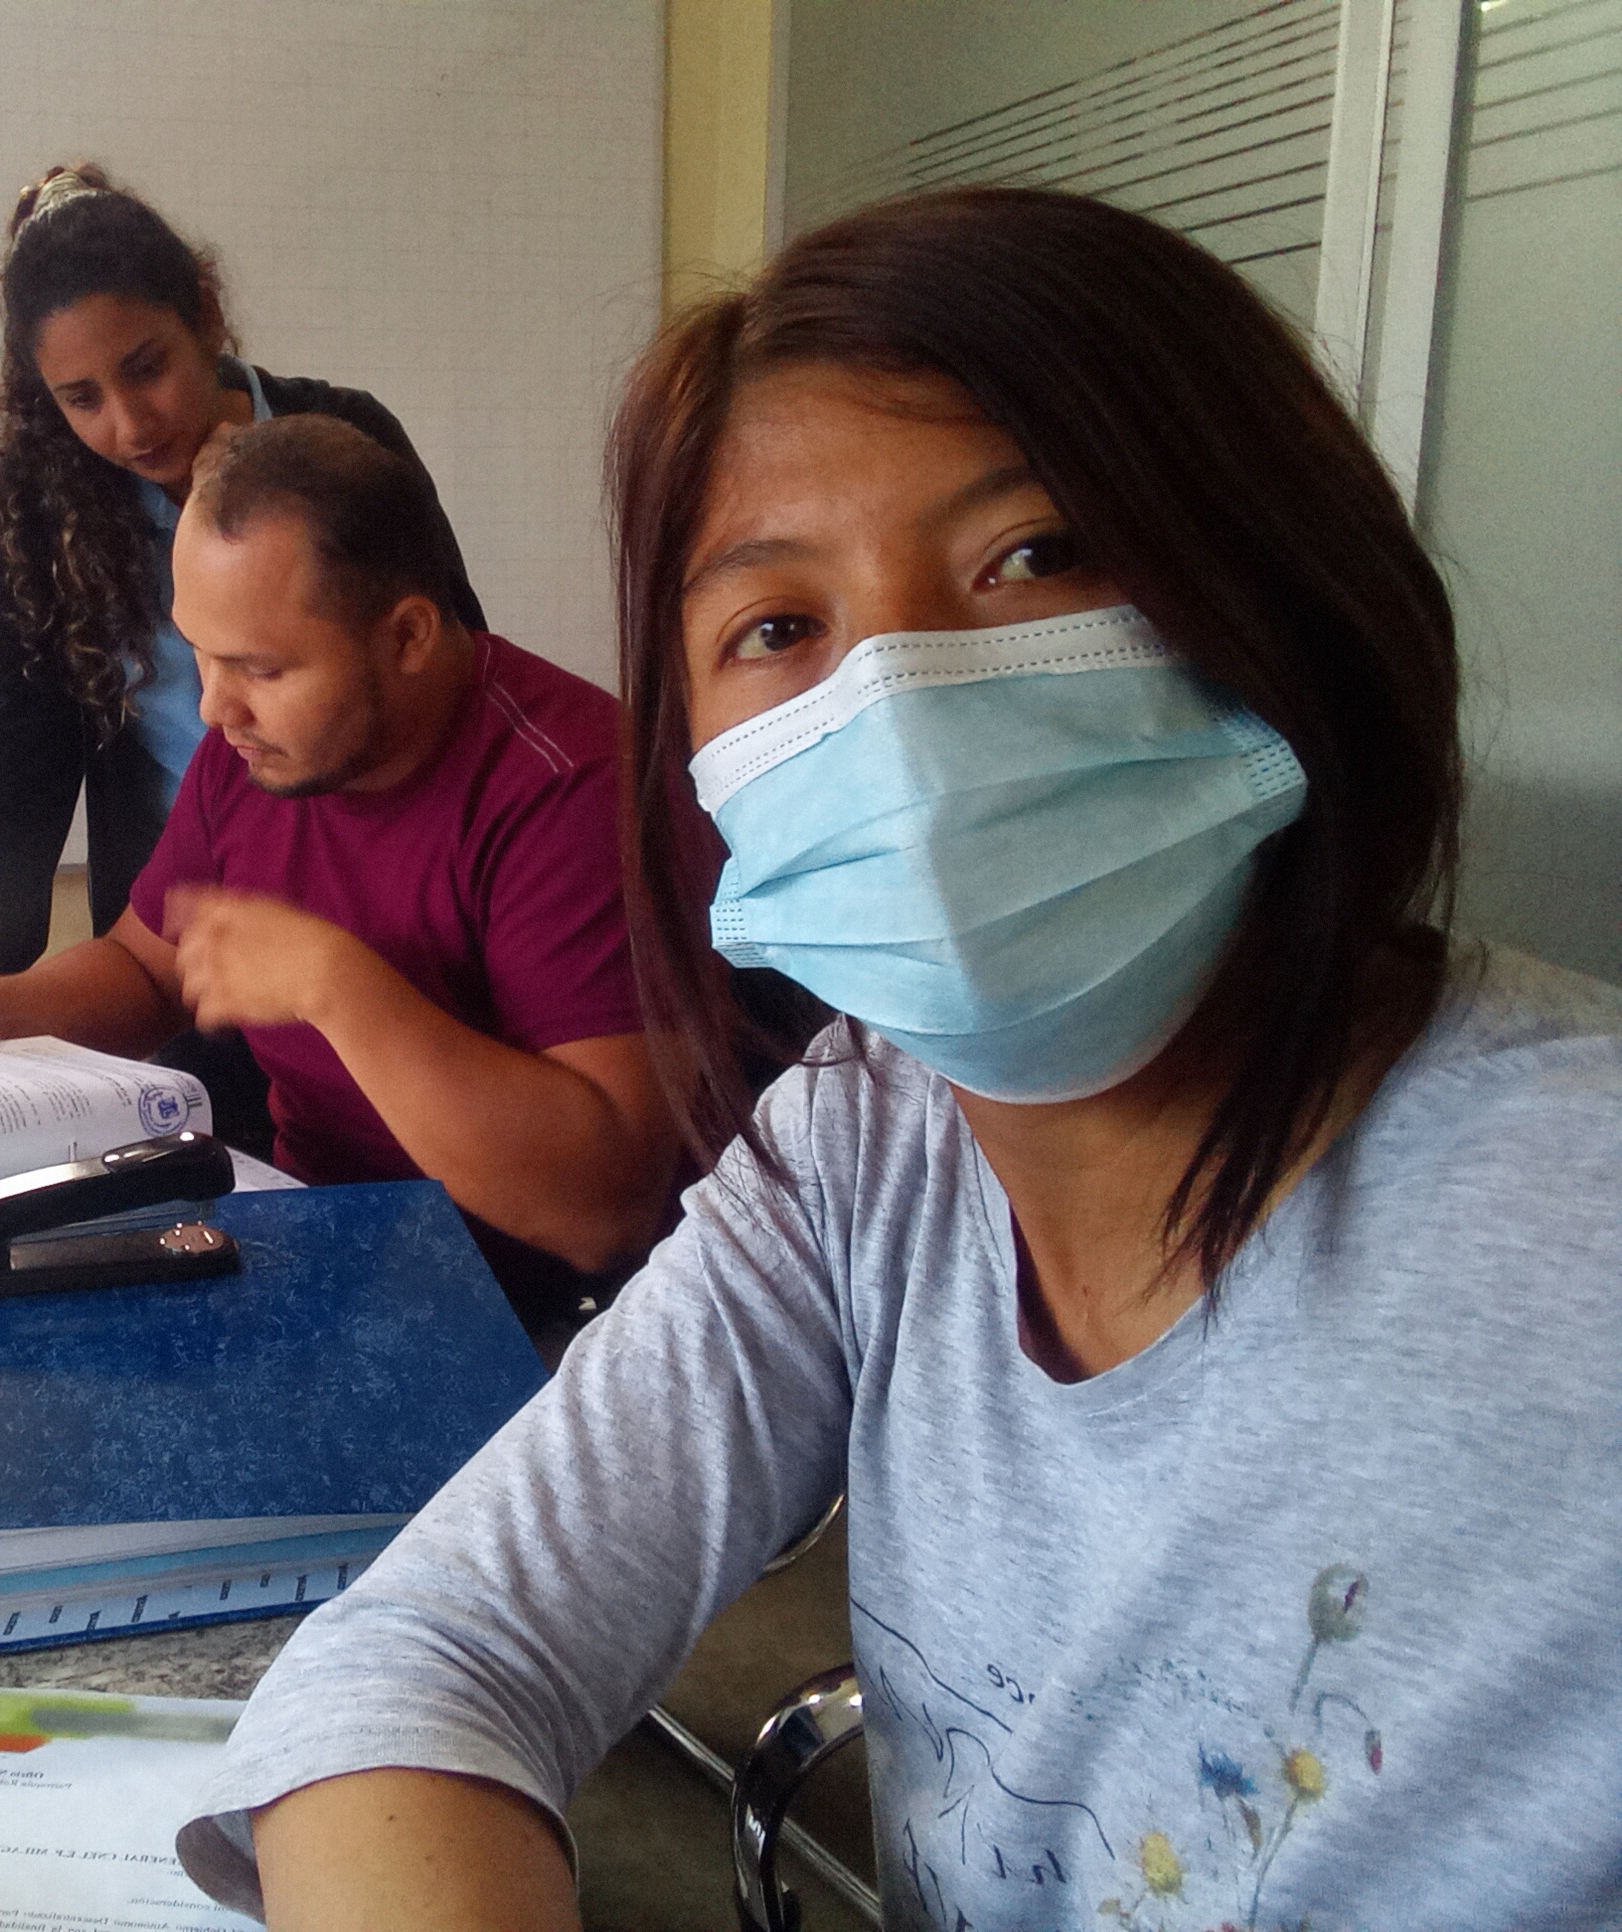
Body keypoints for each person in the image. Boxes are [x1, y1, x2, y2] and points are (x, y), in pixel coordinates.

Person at [173, 191, 1622, 1930]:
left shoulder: (1577, 1230)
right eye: (775, 627)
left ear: (1286, 582)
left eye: (1035, 553)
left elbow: (584, 1189)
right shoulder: (862, 1146)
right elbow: (431, 1653)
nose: (904, 701)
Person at [0, 414, 671, 1307]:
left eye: (262, 669)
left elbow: (604, 1211)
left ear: (407, 637)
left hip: (534, 1310)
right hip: (316, 1248)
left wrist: (336, 985)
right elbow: (148, 967)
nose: (215, 710)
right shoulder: (256, 756)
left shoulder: (572, 786)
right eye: (200, 655)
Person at [0, 162, 485, 976]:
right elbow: (26, 765)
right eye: (82, 399)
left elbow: (454, 659)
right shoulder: (43, 506)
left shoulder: (345, 433)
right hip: (178, 932)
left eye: (147, 368)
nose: (131, 425)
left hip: (372, 901)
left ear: (204, 314)